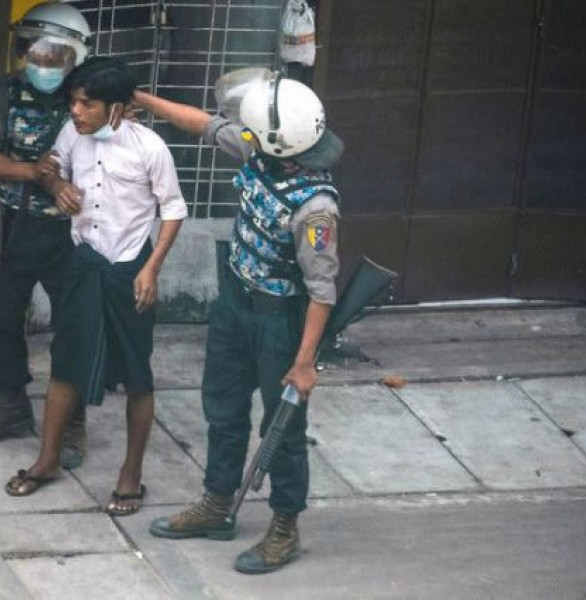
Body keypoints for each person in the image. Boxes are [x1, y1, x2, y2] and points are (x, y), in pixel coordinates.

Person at [131, 68, 344, 574]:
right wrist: (139, 97)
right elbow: (202, 124)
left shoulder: (316, 209)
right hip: (234, 306)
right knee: (223, 411)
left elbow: (322, 291)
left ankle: (283, 526)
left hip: (281, 323)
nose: (241, 130)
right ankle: (216, 504)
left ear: (276, 140)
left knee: (283, 430)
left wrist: (304, 363)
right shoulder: (258, 150)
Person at [4, 57, 188, 517]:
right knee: (66, 362)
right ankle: (47, 460)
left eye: (87, 104)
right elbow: (50, 169)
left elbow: (173, 210)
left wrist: (153, 269)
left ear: (118, 108)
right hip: (83, 264)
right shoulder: (72, 135)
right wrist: (57, 184)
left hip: (129, 270)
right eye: (74, 102)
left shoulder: (150, 148)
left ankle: (131, 474)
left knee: (136, 374)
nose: (77, 112)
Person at [0, 3, 92, 469]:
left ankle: (71, 421)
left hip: (74, 235)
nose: (42, 64)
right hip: (10, 229)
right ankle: (11, 402)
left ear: (75, 56)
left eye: (54, 55)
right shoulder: (5, 95)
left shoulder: (87, 101)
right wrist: (33, 173)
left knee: (75, 329)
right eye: (33, 52)